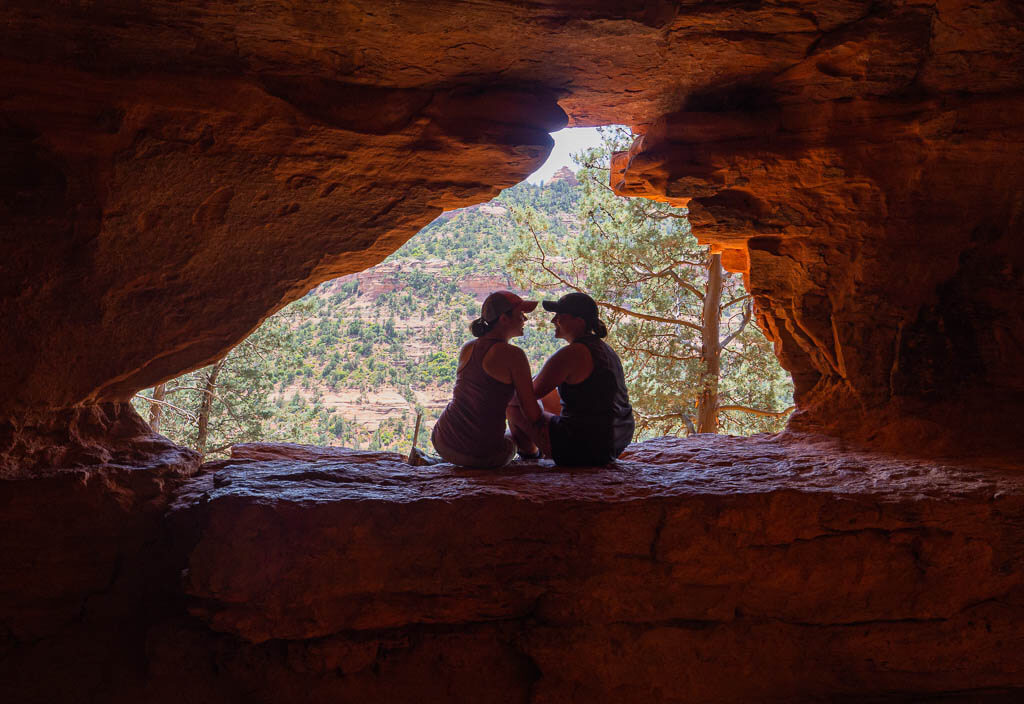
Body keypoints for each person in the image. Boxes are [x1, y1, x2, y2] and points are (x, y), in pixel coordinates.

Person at [508, 292, 634, 466]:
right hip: (616, 439)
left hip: (584, 447)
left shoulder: (573, 353)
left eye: (560, 316)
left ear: (579, 321)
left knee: (513, 405)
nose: (554, 321)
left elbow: (525, 395)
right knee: (549, 394)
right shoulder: (603, 348)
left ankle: (530, 457)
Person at [430, 290, 544, 468]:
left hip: (443, 441)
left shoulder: (468, 347)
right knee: (517, 425)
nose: (525, 320)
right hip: (482, 455)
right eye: (520, 314)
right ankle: (534, 458)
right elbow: (532, 413)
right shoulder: (514, 355)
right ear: (504, 319)